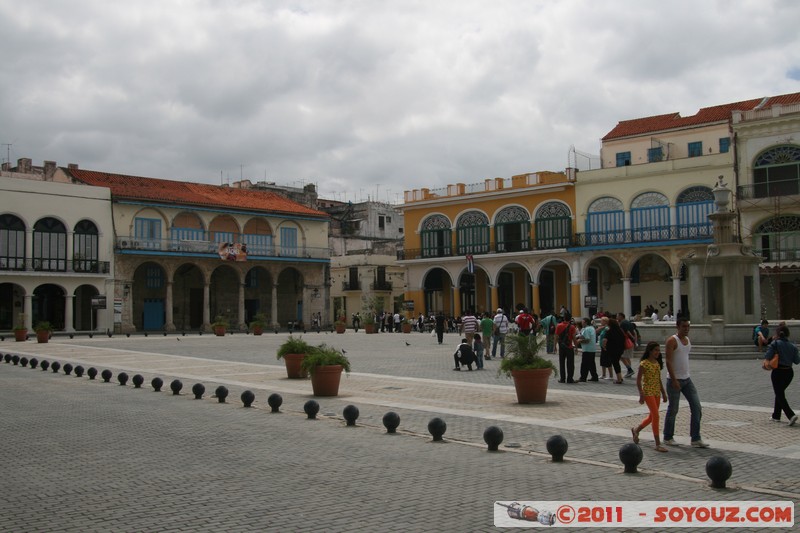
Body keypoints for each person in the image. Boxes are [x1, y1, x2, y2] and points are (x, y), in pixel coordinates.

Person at [663, 318, 709, 448]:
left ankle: (695, 438)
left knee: (696, 407)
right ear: (678, 327)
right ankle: (668, 436)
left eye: (688, 326)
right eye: (684, 326)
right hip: (674, 380)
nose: (686, 329)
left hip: (687, 379)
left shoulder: (687, 340)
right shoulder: (672, 341)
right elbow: (668, 361)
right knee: (673, 409)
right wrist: (673, 379)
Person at [632, 341, 669, 452]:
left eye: (659, 350)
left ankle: (636, 430)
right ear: (650, 351)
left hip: (656, 392)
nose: (658, 352)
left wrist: (663, 392)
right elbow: (638, 381)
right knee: (656, 416)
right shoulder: (644, 364)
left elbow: (658, 379)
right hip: (648, 392)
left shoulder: (657, 364)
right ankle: (657, 443)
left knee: (652, 417)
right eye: (655, 350)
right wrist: (641, 393)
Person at [763, 325, 800, 425]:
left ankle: (791, 415)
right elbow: (797, 361)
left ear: (777, 334)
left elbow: (767, 356)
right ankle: (776, 415)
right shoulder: (793, 346)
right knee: (779, 393)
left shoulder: (775, 344)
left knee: (779, 394)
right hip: (789, 373)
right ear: (787, 334)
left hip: (778, 372)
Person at [555, 314, 577, 383]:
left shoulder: (559, 325)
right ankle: (570, 379)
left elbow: (556, 336)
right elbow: (574, 337)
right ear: (570, 319)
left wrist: (554, 346)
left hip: (561, 347)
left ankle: (562, 378)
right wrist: (576, 346)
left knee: (562, 363)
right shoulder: (572, 327)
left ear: (564, 318)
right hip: (569, 347)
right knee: (570, 363)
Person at [603, 318, 626, 384]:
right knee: (617, 363)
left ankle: (619, 379)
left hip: (612, 349)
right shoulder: (620, 330)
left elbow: (605, 340)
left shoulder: (609, 331)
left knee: (615, 363)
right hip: (620, 349)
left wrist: (604, 346)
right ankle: (620, 377)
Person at [577, 317, 599, 382]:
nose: (582, 323)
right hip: (592, 348)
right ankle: (594, 376)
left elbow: (587, 340)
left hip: (587, 349)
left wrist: (579, 341)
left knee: (584, 364)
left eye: (582, 322)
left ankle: (583, 377)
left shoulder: (586, 329)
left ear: (586, 322)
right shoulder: (592, 328)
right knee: (591, 363)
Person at [617, 312, 636, 378]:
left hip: (626, 341)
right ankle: (629, 371)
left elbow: (627, 331)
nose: (617, 317)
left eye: (617, 316)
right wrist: (634, 339)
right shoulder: (628, 322)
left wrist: (632, 337)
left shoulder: (622, 323)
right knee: (627, 357)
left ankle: (629, 370)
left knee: (622, 356)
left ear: (621, 316)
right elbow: (634, 331)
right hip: (631, 341)